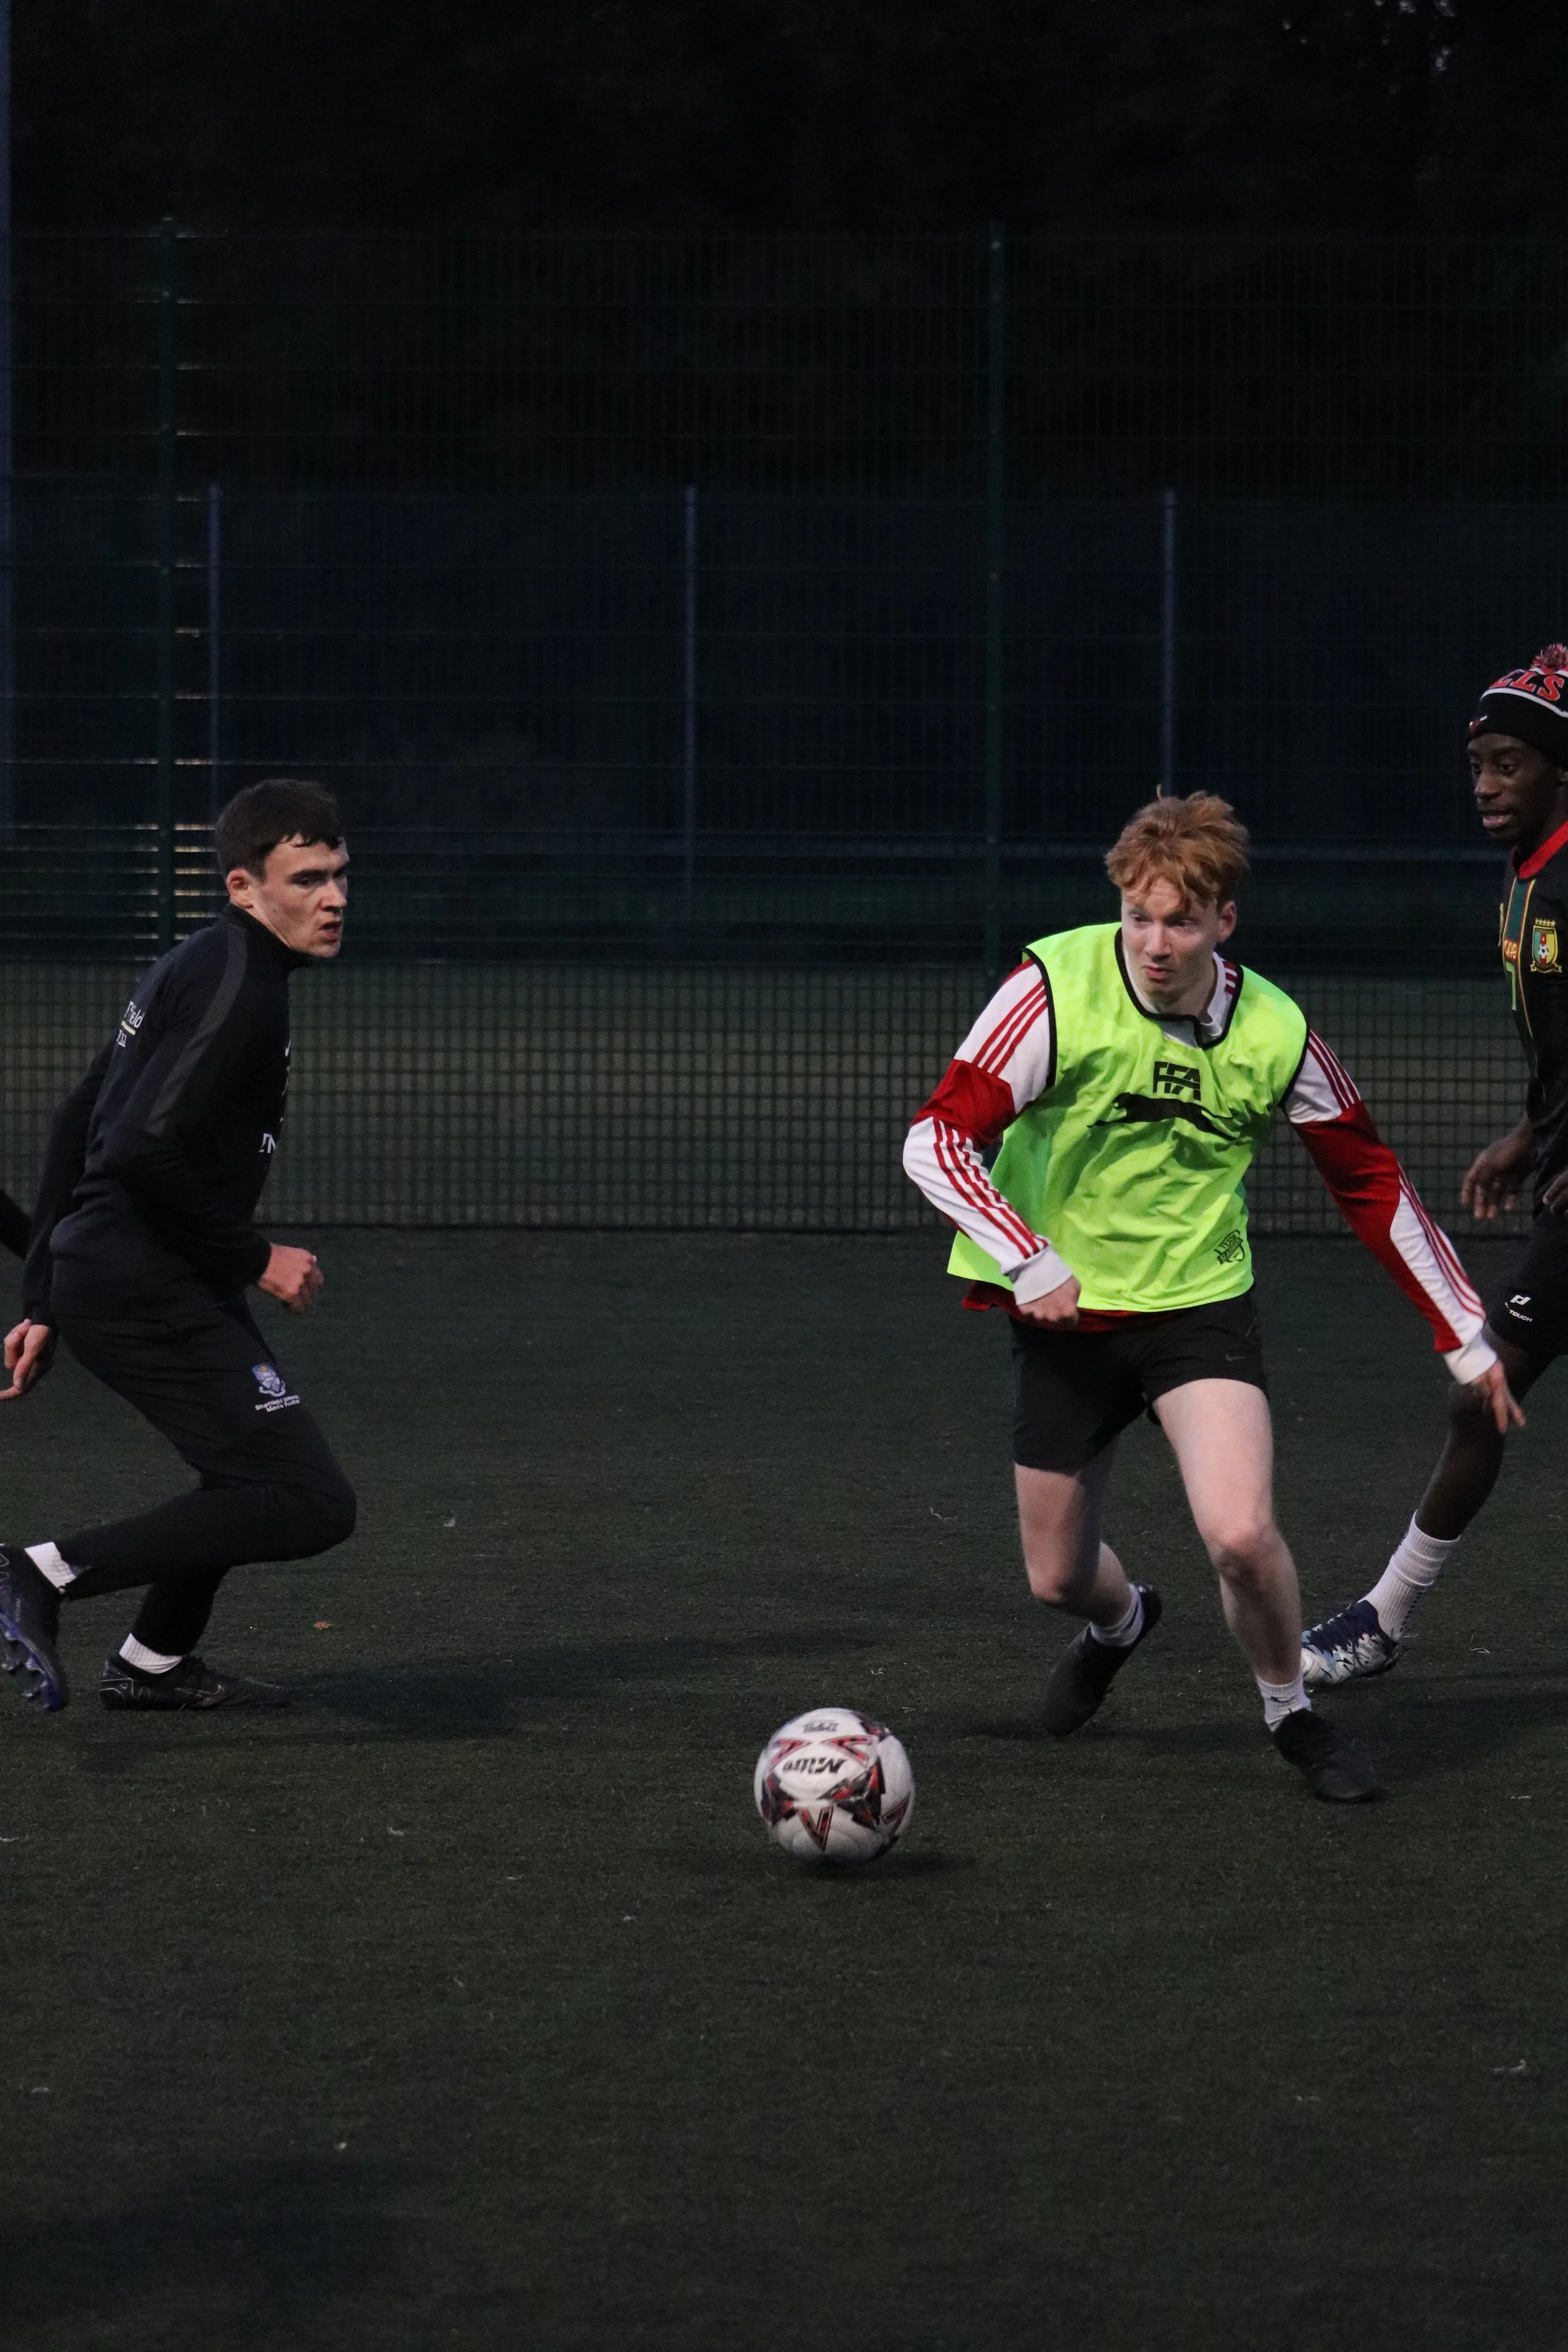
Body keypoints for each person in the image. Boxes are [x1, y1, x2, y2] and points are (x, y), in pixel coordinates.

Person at [903, 792, 1515, 1802]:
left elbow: (1370, 1180)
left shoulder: (1274, 1032)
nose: (1153, 942)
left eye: (1180, 920)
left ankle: (1293, 1716)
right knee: (1055, 1576)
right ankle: (1123, 1620)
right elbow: (936, 1138)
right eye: (1138, 916)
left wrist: (1464, 1332)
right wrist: (1028, 1255)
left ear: (1224, 920)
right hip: (1068, 1315)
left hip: (1198, 1307)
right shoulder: (1055, 987)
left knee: (1238, 1534)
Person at [0, 778, 356, 1714]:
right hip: (146, 1280)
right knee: (308, 1498)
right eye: (307, 878)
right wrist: (256, 1256)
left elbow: (81, 1114)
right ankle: (41, 1572)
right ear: (245, 886)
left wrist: (42, 1293)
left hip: (133, 1273)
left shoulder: (198, 962)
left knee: (249, 1474)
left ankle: (152, 1662)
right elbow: (135, 1145)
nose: (333, 898)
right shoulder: (242, 988)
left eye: (340, 875)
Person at [1302, 645, 1568, 1686]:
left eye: (1508, 764)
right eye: (1478, 767)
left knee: (1482, 1389)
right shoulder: (1533, 876)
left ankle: (1381, 1622)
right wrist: (1528, 1131)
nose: (1487, 786)